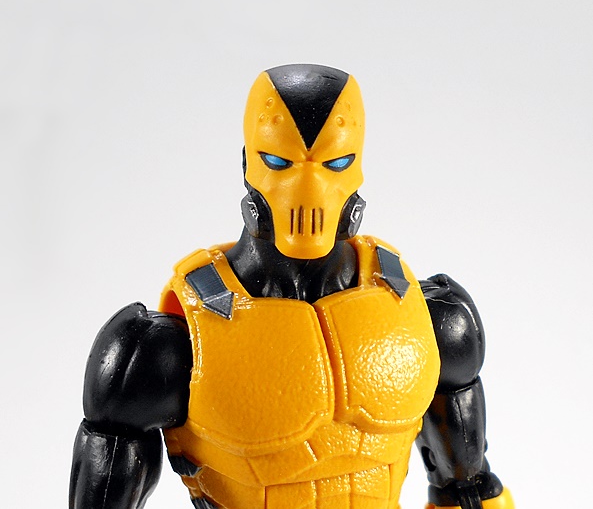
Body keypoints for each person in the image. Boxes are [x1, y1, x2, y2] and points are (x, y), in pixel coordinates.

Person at [70, 64, 514, 509]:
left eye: (335, 164)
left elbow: (468, 489)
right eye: (279, 163)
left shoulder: (432, 319)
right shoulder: (162, 349)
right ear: (248, 163)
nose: (308, 190)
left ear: (358, 165)